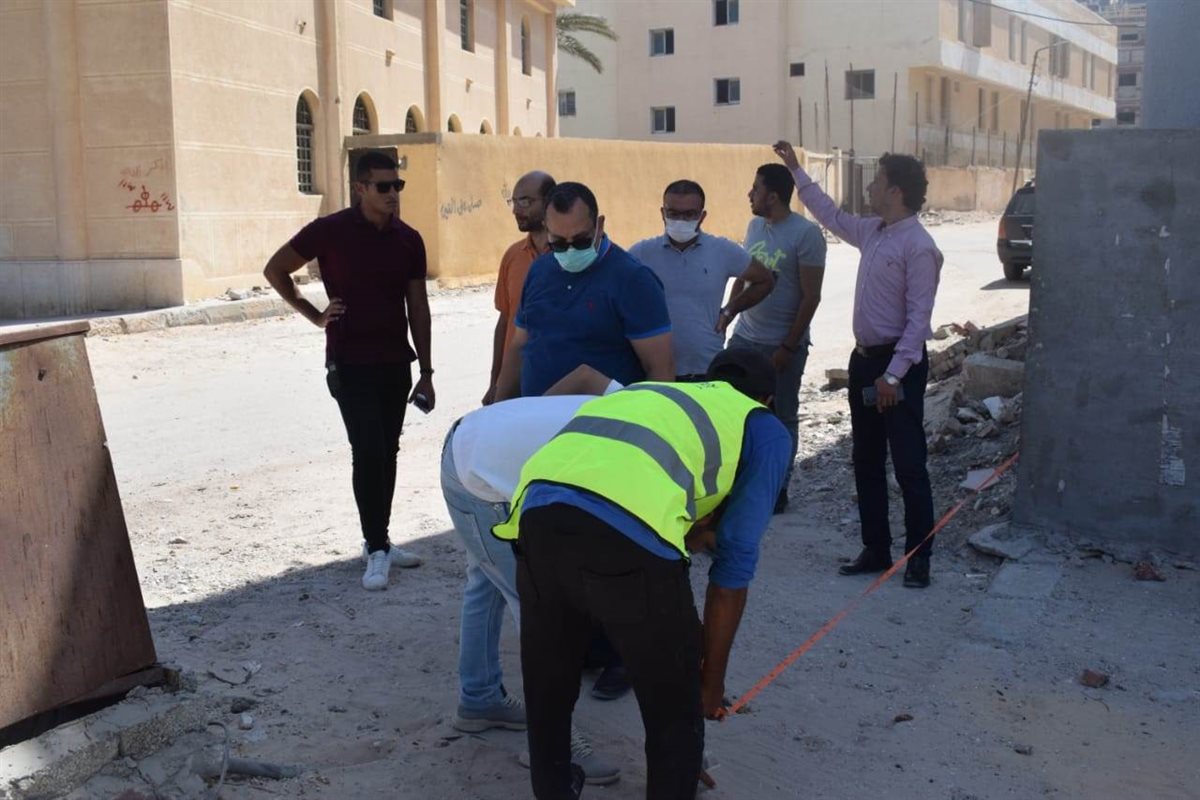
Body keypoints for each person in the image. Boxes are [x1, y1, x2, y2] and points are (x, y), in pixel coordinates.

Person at [494, 349, 792, 800]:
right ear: (766, 400)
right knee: (675, 703)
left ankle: (554, 788)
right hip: (626, 535)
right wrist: (710, 685)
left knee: (548, 684)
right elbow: (734, 563)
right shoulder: (762, 426)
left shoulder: (657, 396)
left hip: (536, 518)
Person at [442, 366, 625, 786]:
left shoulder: (643, 404)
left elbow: (585, 377)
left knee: (487, 581)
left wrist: (523, 428)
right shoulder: (638, 460)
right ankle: (553, 745)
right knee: (540, 607)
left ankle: (479, 699)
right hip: (478, 474)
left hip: (479, 442)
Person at [772, 141, 942, 589]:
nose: (869, 188)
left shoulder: (919, 247)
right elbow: (830, 214)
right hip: (865, 362)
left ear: (896, 191)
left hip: (897, 366)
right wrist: (795, 170)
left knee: (908, 465)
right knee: (866, 459)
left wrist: (893, 375)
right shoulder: (873, 231)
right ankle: (876, 548)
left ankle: (919, 559)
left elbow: (919, 320)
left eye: (877, 181)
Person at [263, 151, 433, 592]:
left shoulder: (409, 240)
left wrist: (427, 371)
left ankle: (381, 540)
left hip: (394, 362)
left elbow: (418, 306)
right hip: (349, 361)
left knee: (388, 451)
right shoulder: (330, 231)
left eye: (397, 185)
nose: (393, 194)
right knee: (368, 450)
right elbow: (276, 269)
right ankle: (375, 547)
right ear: (360, 188)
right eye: (383, 186)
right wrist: (314, 314)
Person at [493, 181, 675, 401]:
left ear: (599, 226)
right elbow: (519, 347)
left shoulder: (633, 280)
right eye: (559, 243)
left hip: (601, 418)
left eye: (581, 241)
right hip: (539, 416)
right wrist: (497, 408)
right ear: (546, 229)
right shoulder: (539, 271)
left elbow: (660, 371)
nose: (570, 250)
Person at [725, 163, 827, 514]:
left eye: (755, 189)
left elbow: (811, 296)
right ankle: (739, 482)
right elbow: (744, 275)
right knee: (734, 413)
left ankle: (778, 486)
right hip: (744, 338)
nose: (749, 194)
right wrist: (728, 314)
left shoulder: (806, 234)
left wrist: (788, 346)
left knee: (781, 416)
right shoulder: (755, 226)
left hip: (780, 344)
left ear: (772, 196)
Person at [629, 180, 775, 381]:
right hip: (657, 372)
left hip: (706, 368)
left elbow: (765, 280)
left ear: (702, 216)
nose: (680, 220)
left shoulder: (722, 250)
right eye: (673, 213)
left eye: (689, 214)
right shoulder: (641, 253)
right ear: (662, 213)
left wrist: (730, 310)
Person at [483, 171, 557, 405]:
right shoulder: (513, 256)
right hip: (514, 383)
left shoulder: (571, 255)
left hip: (560, 381)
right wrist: (495, 382)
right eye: (513, 202)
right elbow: (505, 321)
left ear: (549, 202)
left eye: (525, 201)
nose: (516, 210)